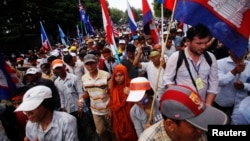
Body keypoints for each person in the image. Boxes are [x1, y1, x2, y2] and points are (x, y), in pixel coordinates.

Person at [139, 85, 228, 141]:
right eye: (194, 126)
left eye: (202, 122)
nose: (202, 130)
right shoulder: (149, 138)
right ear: (170, 125)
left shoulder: (201, 131)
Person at [163, 24, 218, 105]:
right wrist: (177, 97)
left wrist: (208, 104)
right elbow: (167, 80)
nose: (203, 46)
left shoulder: (210, 58)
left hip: (203, 105)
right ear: (188, 41)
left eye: (206, 42)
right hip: (182, 105)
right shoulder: (176, 57)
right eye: (199, 43)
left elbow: (214, 83)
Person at [79, 54, 114, 141]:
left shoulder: (106, 75)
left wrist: (111, 108)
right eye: (87, 64)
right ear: (84, 65)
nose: (90, 66)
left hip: (107, 108)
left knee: (113, 130)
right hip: (95, 110)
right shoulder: (84, 78)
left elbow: (112, 92)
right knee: (101, 131)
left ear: (97, 63)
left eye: (92, 63)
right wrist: (82, 98)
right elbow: (87, 92)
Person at [214, 50, 250, 121]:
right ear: (229, 51)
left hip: (241, 104)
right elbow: (219, 81)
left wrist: (244, 86)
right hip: (222, 102)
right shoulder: (219, 63)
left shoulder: (249, 65)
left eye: (243, 50)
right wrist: (234, 72)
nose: (240, 51)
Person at [108, 64, 138, 141]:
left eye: (121, 75)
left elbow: (139, 100)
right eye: (116, 76)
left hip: (130, 116)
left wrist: (130, 93)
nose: (118, 78)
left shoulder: (131, 84)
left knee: (132, 133)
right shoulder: (113, 87)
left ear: (125, 74)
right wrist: (110, 110)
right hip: (118, 117)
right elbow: (111, 100)